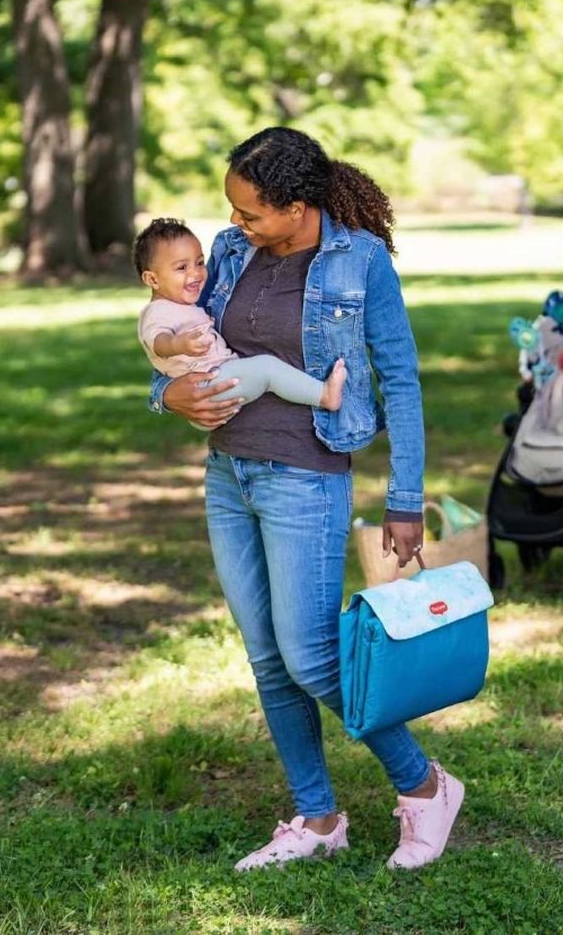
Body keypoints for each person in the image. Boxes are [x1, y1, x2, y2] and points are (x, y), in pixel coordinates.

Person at [148, 127, 464, 871]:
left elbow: (403, 380)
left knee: (313, 657)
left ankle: (425, 787)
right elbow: (177, 345)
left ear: (296, 205)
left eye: (252, 211)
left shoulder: (361, 261)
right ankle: (318, 817)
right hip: (229, 475)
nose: (237, 224)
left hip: (305, 476)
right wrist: (170, 395)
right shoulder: (230, 252)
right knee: (268, 657)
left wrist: (405, 497)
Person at [135, 217, 347, 417]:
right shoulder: (156, 312)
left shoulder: (183, 305)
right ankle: (324, 395)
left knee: (263, 371)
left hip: (217, 380)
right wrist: (178, 344)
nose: (196, 273)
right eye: (182, 267)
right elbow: (158, 342)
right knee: (267, 369)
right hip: (208, 386)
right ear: (152, 279)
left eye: (199, 263)